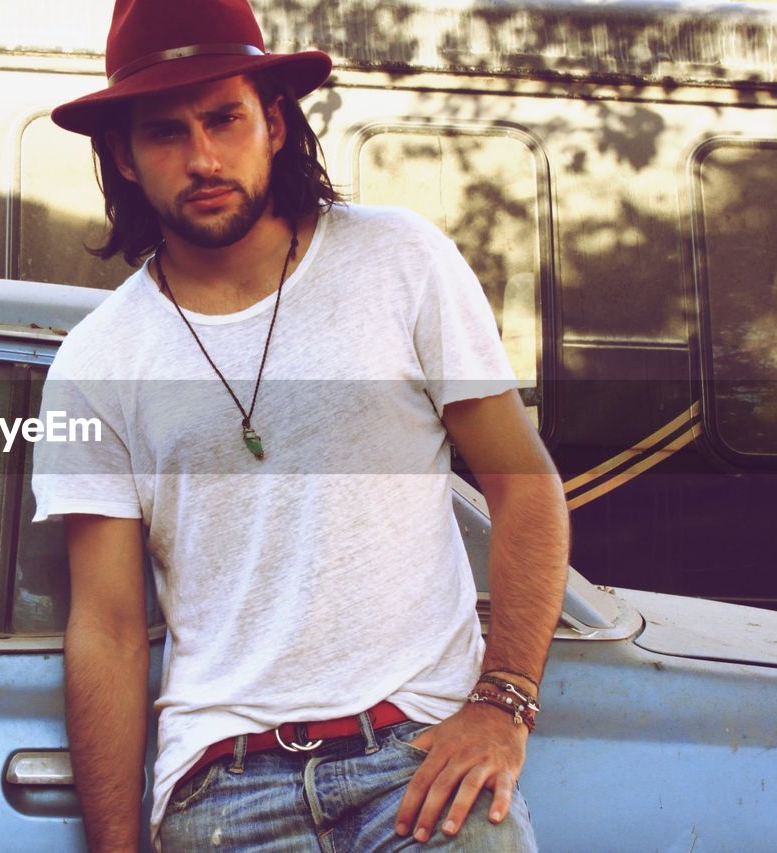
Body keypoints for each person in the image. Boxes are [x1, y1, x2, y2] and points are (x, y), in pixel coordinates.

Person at [30, 0, 570, 849]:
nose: (203, 156)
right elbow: (107, 627)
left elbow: (523, 484)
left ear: (274, 122)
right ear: (125, 160)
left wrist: (504, 702)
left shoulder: (401, 262)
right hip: (225, 784)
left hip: (417, 758)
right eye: (166, 132)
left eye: (224, 118)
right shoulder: (96, 362)